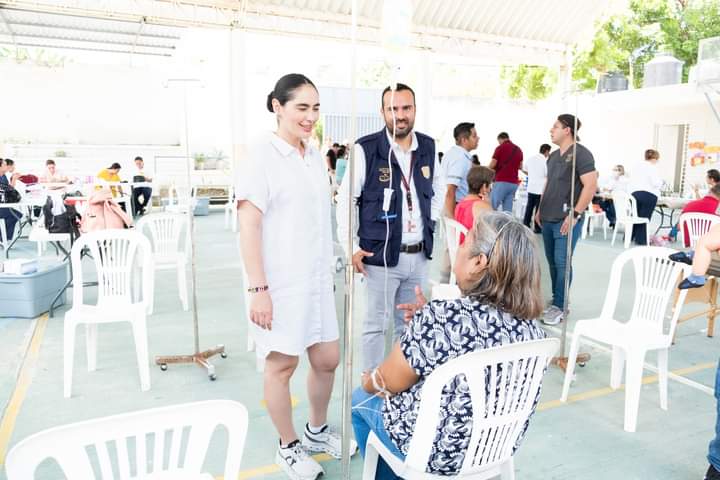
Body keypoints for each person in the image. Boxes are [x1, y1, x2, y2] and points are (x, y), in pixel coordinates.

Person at [351, 211, 546, 479]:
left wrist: (367, 381)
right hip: (494, 448)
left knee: (360, 399)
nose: (459, 246)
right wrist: (424, 325)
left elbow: (389, 382)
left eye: (466, 240)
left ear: (479, 262)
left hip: (437, 453)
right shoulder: (533, 332)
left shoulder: (443, 318)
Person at [236, 74, 353, 480]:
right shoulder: (260, 156)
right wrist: (259, 289)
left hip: (317, 280)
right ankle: (287, 446)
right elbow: (248, 225)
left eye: (315, 108)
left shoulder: (313, 154)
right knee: (281, 366)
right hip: (279, 284)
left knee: (327, 358)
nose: (310, 116)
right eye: (301, 107)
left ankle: (316, 430)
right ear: (277, 106)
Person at [336, 82, 443, 372]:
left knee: (409, 324)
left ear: (415, 110)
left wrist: (427, 226)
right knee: (375, 326)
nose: (399, 115)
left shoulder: (429, 147)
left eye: (405, 108)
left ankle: (400, 386)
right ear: (382, 112)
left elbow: (437, 191)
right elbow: (346, 201)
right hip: (381, 257)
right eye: (392, 109)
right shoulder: (366, 149)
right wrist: (351, 248)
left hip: (419, 257)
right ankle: (370, 390)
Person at [536, 114, 597, 326]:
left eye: (555, 127)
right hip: (548, 215)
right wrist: (539, 208)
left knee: (562, 262)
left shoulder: (581, 154)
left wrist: (576, 214)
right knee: (552, 262)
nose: (551, 130)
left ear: (567, 130)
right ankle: (557, 299)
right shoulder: (553, 156)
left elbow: (590, 185)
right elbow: (548, 183)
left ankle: (560, 306)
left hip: (566, 218)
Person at [442, 122, 479, 219]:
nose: (478, 138)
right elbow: (450, 190)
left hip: (453, 205)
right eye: (474, 136)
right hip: (455, 206)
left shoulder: (454, 154)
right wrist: (452, 220)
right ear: (464, 140)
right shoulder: (460, 158)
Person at [629, 149, 662, 245]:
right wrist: (661, 182)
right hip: (648, 195)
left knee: (635, 216)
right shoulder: (652, 167)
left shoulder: (636, 166)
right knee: (644, 217)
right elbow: (656, 183)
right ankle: (641, 239)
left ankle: (631, 236)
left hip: (634, 194)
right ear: (655, 158)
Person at [454, 165, 494, 244]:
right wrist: (489, 205)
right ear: (484, 186)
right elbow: (492, 231)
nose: (491, 188)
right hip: (473, 251)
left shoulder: (460, 203)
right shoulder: (482, 206)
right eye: (490, 184)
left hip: (460, 248)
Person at [489, 132, 523, 213]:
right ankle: (507, 225)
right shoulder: (518, 149)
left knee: (491, 207)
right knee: (507, 212)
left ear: (501, 139)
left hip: (502, 181)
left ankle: (489, 225)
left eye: (499, 141)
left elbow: (492, 164)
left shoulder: (500, 148)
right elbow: (520, 166)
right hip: (513, 184)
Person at [522, 144, 550, 233]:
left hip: (531, 187)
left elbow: (524, 170)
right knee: (539, 209)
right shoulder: (545, 161)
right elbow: (547, 174)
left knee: (529, 207)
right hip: (540, 189)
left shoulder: (531, 159)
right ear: (546, 151)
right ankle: (537, 228)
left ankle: (526, 224)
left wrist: (532, 175)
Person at [0, 159, 22, 241]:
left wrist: (13, 179)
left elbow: (8, 190)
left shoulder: (3, 176)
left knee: (17, 214)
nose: (7, 166)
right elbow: (7, 192)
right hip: (1, 206)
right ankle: (3, 238)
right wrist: (14, 180)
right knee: (15, 215)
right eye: (5, 165)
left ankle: (4, 237)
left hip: (3, 204)